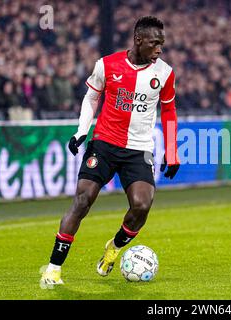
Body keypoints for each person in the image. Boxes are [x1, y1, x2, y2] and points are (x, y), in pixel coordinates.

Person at [40, 16, 180, 287]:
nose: (160, 49)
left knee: (142, 205)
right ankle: (53, 269)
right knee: (82, 201)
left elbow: (169, 111)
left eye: (162, 44)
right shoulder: (107, 64)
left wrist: (172, 151)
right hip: (104, 144)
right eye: (155, 43)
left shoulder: (164, 73)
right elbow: (92, 97)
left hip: (138, 149)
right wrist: (81, 131)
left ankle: (113, 249)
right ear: (138, 40)